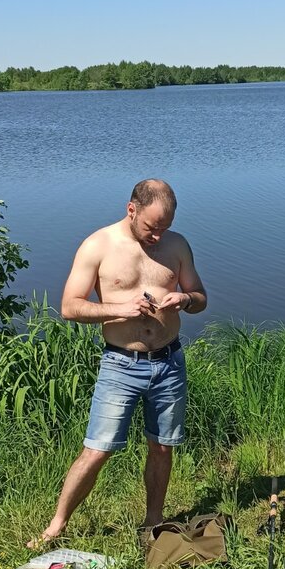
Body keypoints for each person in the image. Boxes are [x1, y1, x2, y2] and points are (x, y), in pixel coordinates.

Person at [27, 178, 207, 548]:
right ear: (132, 209)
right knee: (98, 448)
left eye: (164, 228)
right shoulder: (98, 245)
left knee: (161, 447)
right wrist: (120, 309)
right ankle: (56, 525)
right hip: (121, 365)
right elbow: (69, 306)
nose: (157, 236)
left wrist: (184, 299)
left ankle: (153, 523)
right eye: (151, 227)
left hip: (169, 362)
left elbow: (201, 297)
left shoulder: (177, 245)